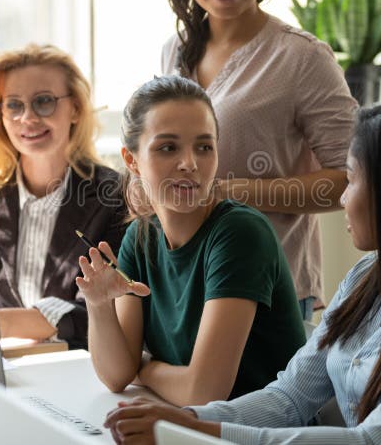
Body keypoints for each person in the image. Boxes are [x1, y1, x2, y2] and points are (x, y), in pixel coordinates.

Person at [103, 95, 381, 444]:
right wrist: (184, 419)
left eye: (352, 180)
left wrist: (197, 427)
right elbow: (290, 397)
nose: (343, 199)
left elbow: (374, 440)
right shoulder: (366, 278)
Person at [161, 0, 359, 320]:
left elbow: (351, 177)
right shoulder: (175, 51)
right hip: (183, 277)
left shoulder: (302, 58)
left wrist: (225, 193)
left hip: (268, 282)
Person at [75, 75, 306, 408]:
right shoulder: (140, 238)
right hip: (197, 428)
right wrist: (98, 305)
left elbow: (204, 391)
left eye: (204, 146)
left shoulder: (239, 233)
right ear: (131, 159)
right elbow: (115, 376)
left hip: (261, 433)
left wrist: (144, 368)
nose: (190, 163)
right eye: (168, 147)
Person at [0, 43, 126, 350]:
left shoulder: (114, 196)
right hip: (4, 366)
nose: (28, 118)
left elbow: (104, 312)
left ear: (74, 108)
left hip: (79, 370)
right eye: (14, 105)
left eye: (44, 102)